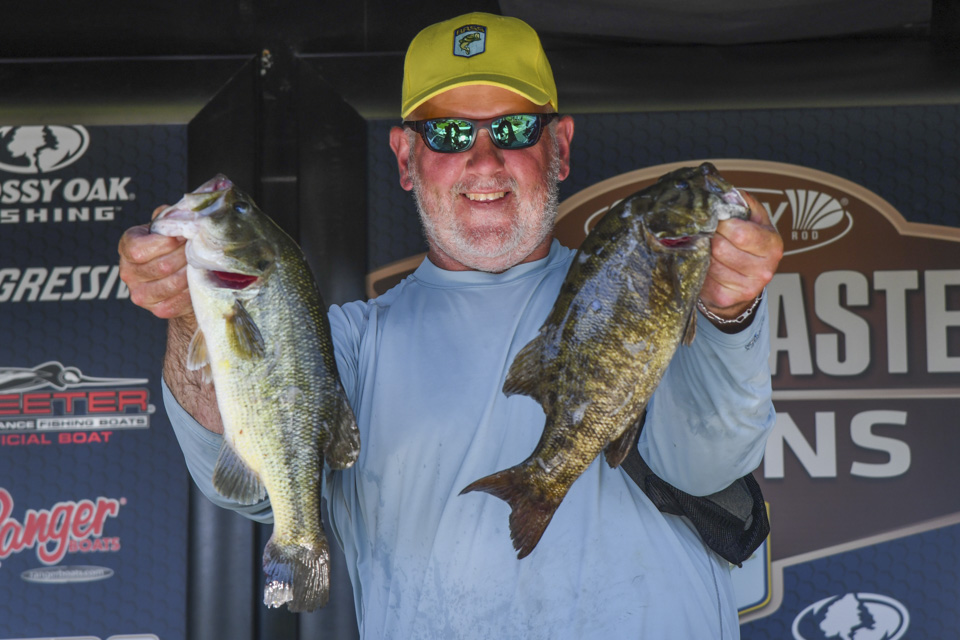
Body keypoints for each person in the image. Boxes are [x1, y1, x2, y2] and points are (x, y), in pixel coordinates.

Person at [118, 11, 783, 639]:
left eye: (514, 129)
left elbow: (710, 462)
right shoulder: (346, 345)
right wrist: (190, 311)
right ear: (405, 158)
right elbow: (250, 488)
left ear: (560, 148)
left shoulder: (641, 292)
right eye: (449, 134)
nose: (485, 161)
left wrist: (728, 308)